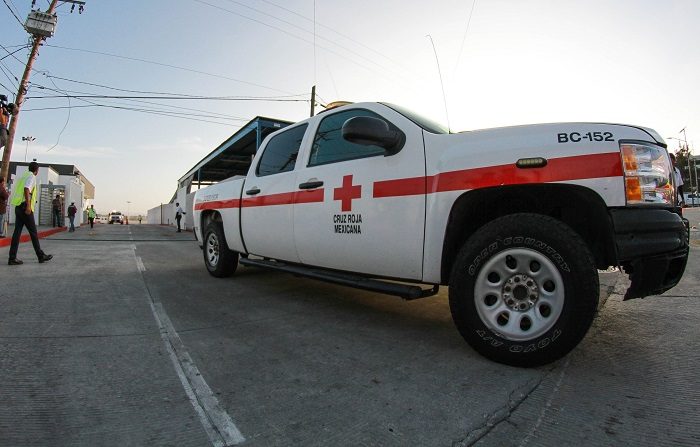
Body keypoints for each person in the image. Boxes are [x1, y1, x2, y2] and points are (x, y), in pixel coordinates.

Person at [8, 162, 53, 265]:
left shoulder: (23, 176)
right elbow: (26, 189)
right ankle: (40, 256)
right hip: (25, 208)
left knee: (17, 233)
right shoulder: (31, 177)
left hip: (18, 207)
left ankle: (12, 258)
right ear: (36, 170)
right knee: (33, 233)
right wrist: (28, 206)